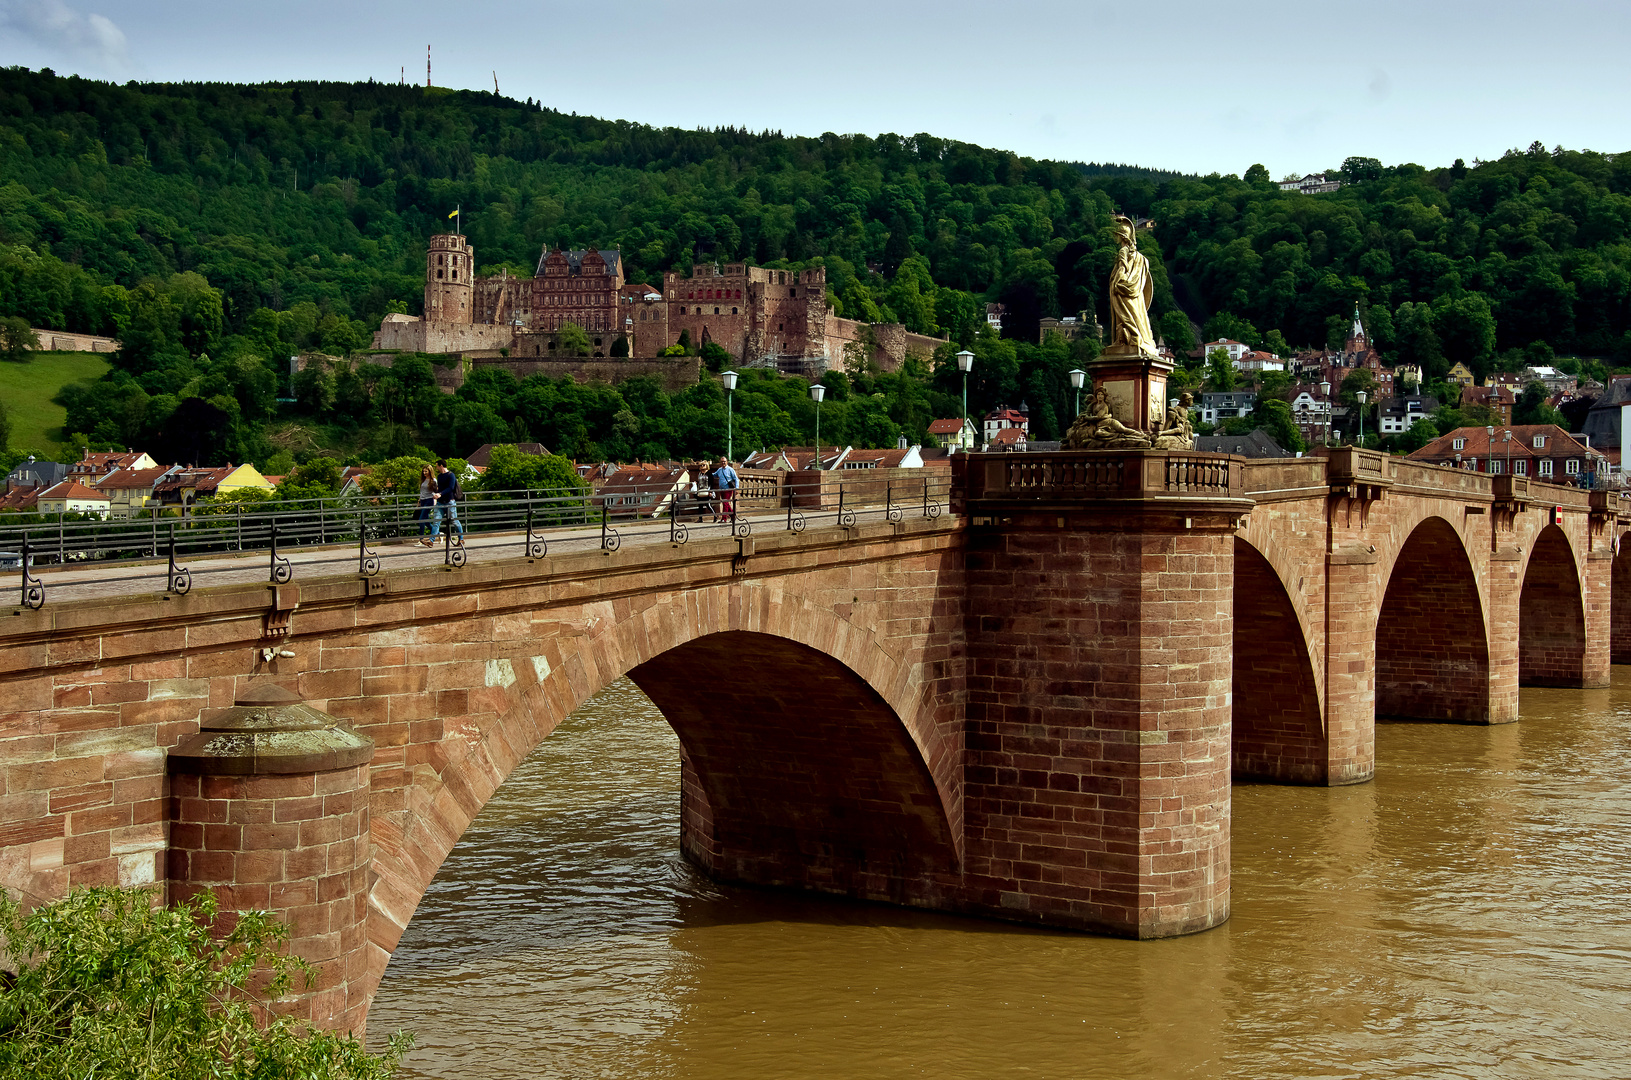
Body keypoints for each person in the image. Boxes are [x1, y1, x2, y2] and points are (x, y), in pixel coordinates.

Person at [425, 459, 465, 547]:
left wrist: (440, 494)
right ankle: (431, 541)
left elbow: (450, 488)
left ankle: (461, 538)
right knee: (436, 521)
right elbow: (440, 487)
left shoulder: (451, 475)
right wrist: (435, 491)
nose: (436, 468)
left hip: (449, 502)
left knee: (454, 521)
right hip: (440, 502)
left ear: (441, 466)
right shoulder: (440, 476)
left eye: (437, 466)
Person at [712, 457, 739, 524]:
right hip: (722, 489)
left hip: (728, 489)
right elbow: (714, 475)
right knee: (726, 503)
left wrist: (736, 488)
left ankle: (724, 518)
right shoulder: (719, 470)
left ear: (727, 462)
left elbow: (736, 479)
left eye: (724, 461)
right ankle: (733, 516)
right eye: (722, 461)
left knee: (725, 502)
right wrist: (707, 472)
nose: (723, 463)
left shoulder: (730, 469)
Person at [415, 464, 435, 540]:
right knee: (426, 521)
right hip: (423, 500)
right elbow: (422, 491)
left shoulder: (433, 480)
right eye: (423, 471)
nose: (424, 473)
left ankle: (421, 539)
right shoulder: (423, 480)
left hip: (429, 500)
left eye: (426, 471)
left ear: (430, 471)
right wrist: (419, 500)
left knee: (421, 520)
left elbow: (435, 491)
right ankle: (438, 534)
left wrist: (435, 499)